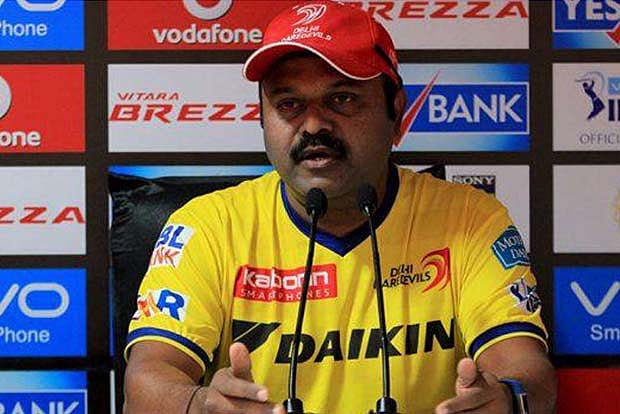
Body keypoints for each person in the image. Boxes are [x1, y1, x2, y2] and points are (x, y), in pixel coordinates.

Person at [123, 1, 556, 413]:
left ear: (396, 111)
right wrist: (200, 406)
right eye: (289, 104)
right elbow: (145, 384)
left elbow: (527, 371)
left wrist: (507, 399)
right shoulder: (208, 227)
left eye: (342, 99)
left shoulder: (471, 219)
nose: (314, 124)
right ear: (262, 118)